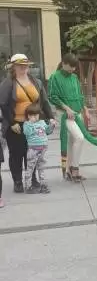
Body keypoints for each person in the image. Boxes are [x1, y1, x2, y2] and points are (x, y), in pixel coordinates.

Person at [0, 53, 54, 193]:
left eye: (25, 65)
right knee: (16, 154)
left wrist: (51, 117)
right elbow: (3, 104)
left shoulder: (36, 81)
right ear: (13, 67)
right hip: (16, 125)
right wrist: (12, 122)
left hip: (34, 123)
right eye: (20, 66)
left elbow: (44, 101)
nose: (23, 68)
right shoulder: (8, 83)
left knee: (33, 153)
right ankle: (18, 181)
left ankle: (32, 179)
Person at [47, 53, 88, 182]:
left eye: (74, 67)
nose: (73, 69)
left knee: (73, 141)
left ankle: (70, 170)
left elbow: (80, 94)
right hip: (65, 114)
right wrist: (66, 108)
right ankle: (74, 169)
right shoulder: (54, 77)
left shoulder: (74, 77)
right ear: (64, 63)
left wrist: (85, 109)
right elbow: (52, 96)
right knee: (80, 138)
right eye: (71, 66)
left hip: (77, 113)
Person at [22, 103, 55, 194]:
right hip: (33, 149)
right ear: (28, 116)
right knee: (30, 167)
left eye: (36, 115)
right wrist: (31, 123)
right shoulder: (27, 124)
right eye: (31, 115)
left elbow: (48, 131)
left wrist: (51, 125)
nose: (34, 117)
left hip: (43, 148)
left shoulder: (42, 122)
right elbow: (27, 133)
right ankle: (28, 186)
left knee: (41, 167)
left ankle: (43, 185)